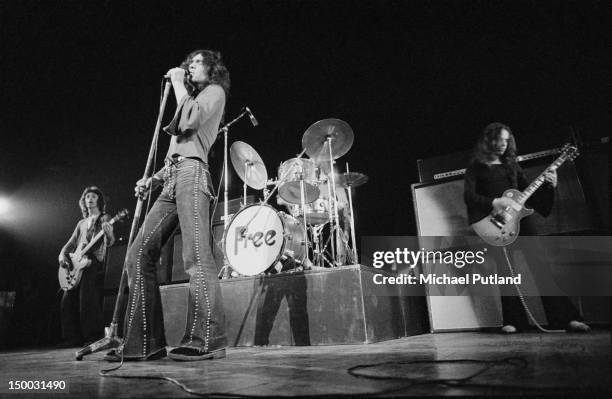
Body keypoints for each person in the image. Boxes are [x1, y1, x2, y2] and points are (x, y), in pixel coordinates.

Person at [105, 49, 230, 361]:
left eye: (196, 62)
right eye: (187, 64)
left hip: (193, 175)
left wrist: (177, 81)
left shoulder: (213, 92)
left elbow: (190, 124)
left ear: (212, 68)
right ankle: (144, 343)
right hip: (173, 177)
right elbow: (178, 151)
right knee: (137, 255)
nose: (189, 66)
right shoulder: (188, 100)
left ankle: (206, 338)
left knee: (195, 255)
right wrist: (154, 179)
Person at [464, 122, 590, 334]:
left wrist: (550, 184)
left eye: (506, 140)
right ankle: (514, 321)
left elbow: (530, 194)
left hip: (522, 222)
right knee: (506, 273)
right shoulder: (476, 166)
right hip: (497, 224)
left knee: (541, 268)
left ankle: (565, 319)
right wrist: (495, 202)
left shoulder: (512, 166)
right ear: (489, 140)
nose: (503, 144)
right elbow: (469, 197)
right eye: (499, 140)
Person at [58, 186, 115, 347]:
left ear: (99, 201)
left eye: (93, 197)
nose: (89, 199)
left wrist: (109, 233)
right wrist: (62, 256)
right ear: (84, 201)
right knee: (67, 301)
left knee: (87, 301)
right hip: (77, 265)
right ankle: (71, 338)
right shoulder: (81, 223)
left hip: (92, 264)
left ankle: (93, 337)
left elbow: (110, 242)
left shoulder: (105, 218)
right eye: (87, 197)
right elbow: (69, 244)